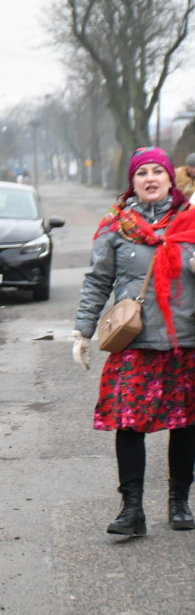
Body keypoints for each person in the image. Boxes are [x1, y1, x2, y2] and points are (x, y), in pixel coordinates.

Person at [72, 146, 195, 536]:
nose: (151, 179)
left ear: (170, 179)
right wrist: (83, 331)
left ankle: (179, 503)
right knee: (128, 424)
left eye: (158, 171)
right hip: (134, 342)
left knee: (186, 425)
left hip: (185, 341)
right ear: (133, 182)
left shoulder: (191, 220)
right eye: (143, 173)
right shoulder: (116, 226)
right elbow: (97, 280)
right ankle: (132, 509)